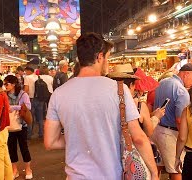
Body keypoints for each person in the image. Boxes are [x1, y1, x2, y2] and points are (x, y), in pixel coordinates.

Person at [44, 32, 159, 179]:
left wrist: (80, 138)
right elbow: (138, 138)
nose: (107, 63)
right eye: (107, 58)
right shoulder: (120, 90)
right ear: (99, 57)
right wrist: (154, 172)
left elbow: (50, 142)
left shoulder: (59, 94)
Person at [151, 63, 192, 180]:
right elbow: (180, 120)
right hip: (169, 135)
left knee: (157, 168)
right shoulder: (182, 91)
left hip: (156, 130)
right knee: (176, 169)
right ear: (186, 74)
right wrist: (184, 139)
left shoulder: (163, 82)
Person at [4, 75, 33, 179]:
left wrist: (13, 107)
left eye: (7, 84)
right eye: (4, 84)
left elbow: (28, 106)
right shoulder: (4, 95)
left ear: (13, 84)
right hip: (9, 125)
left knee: (23, 147)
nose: (5, 86)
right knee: (11, 148)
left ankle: (28, 169)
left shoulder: (22, 94)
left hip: (22, 125)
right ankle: (14, 169)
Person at [23, 66, 40, 139]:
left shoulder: (27, 78)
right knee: (40, 117)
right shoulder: (38, 77)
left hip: (31, 99)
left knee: (30, 116)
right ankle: (41, 133)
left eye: (26, 71)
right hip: (39, 98)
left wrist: (24, 98)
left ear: (29, 71)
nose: (25, 73)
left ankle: (29, 133)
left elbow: (26, 89)